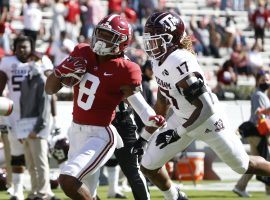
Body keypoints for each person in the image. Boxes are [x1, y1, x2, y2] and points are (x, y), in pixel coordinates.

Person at [131, 11, 270, 200]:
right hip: (182, 118)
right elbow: (163, 101)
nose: (152, 45)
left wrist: (177, 132)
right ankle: (176, 197)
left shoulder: (179, 60)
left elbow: (206, 108)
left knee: (243, 165)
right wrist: (144, 137)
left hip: (208, 122)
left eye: (157, 40)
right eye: (150, 40)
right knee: (148, 165)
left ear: (172, 39)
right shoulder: (158, 61)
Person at [45, 14, 166, 200]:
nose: (102, 39)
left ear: (122, 42)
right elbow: (50, 88)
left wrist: (151, 116)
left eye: (109, 36)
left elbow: (137, 102)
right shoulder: (81, 52)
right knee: (87, 192)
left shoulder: (126, 68)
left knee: (68, 179)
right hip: (76, 131)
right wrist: (60, 71)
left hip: (101, 134)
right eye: (100, 33)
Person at [0, 35, 53, 200]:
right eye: (19, 47)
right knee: (18, 155)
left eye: (26, 47)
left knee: (38, 158)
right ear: (14, 48)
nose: (23, 50)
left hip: (35, 116)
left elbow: (51, 86)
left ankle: (42, 191)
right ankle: (18, 190)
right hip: (14, 115)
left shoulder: (39, 62)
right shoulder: (8, 62)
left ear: (32, 48)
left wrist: (54, 117)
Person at [19, 59, 58, 200]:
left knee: (41, 164)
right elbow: (22, 107)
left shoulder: (43, 82)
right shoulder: (24, 81)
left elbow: (44, 111)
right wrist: (21, 131)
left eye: (36, 60)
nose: (32, 63)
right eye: (31, 60)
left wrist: (37, 129)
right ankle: (34, 192)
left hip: (38, 131)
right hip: (26, 130)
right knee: (30, 164)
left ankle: (43, 193)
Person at [233, 71, 270, 197]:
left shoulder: (263, 95)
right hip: (257, 132)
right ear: (258, 80)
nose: (266, 82)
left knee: (255, 163)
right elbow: (260, 115)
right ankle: (268, 189)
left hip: (257, 133)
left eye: (268, 80)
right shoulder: (259, 95)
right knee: (265, 161)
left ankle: (240, 186)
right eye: (263, 79)